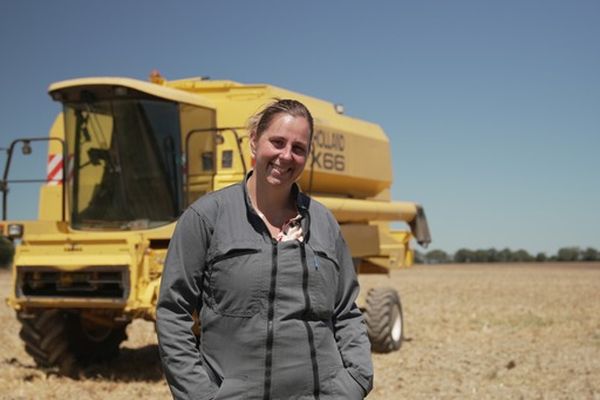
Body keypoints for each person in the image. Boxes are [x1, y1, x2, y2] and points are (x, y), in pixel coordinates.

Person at [156, 99, 373, 400]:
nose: (286, 156)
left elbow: (346, 312)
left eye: (299, 148)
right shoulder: (207, 217)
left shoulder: (324, 223)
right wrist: (200, 395)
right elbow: (172, 311)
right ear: (255, 140)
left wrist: (356, 380)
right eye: (278, 142)